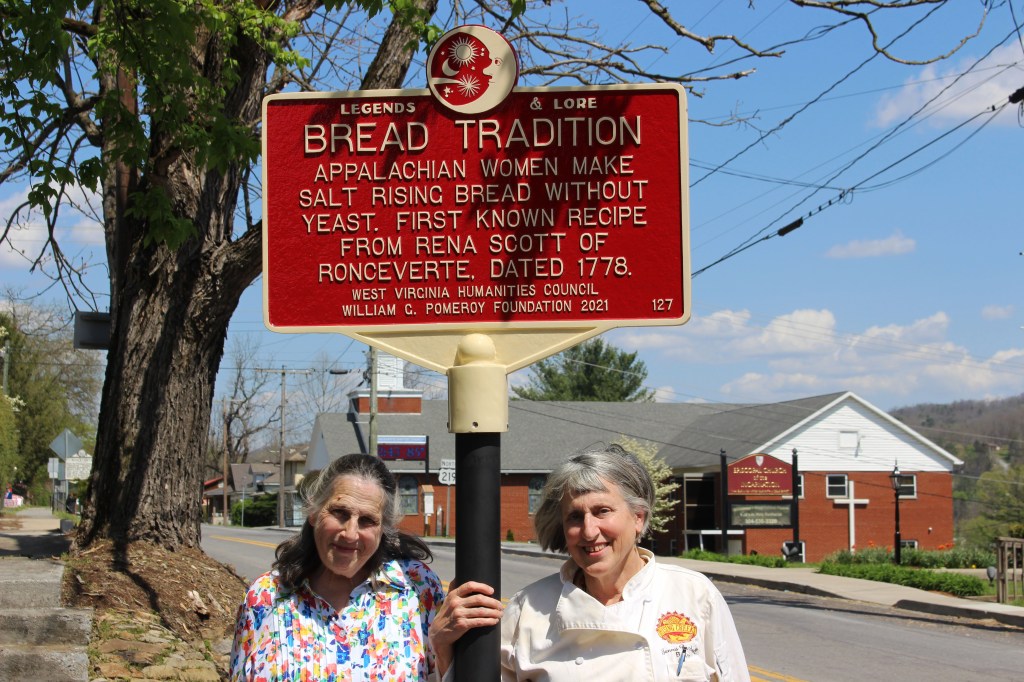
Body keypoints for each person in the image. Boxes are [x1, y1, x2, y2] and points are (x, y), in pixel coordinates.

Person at [444, 444, 750, 681]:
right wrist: (442, 644)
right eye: (575, 517)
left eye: (603, 511)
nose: (589, 532)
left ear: (638, 518)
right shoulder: (529, 609)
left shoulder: (694, 595)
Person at [229, 453, 494, 680]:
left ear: (384, 529)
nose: (350, 534)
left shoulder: (417, 588)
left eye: (367, 520)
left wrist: (443, 645)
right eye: (339, 513)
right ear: (313, 512)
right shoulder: (266, 596)